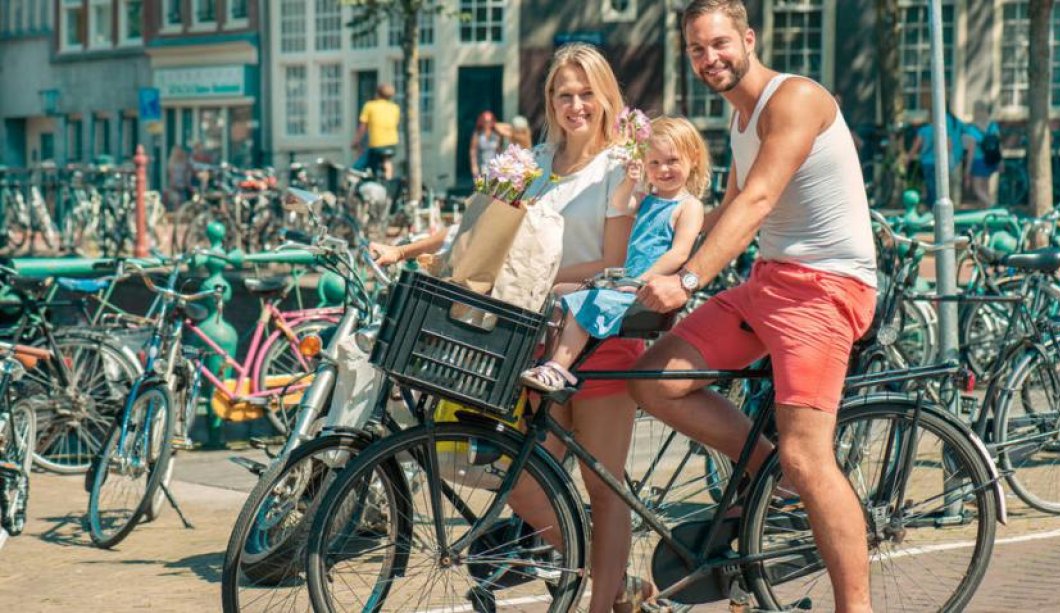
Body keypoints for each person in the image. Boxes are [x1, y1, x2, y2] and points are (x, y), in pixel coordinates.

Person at [369, 43, 649, 612]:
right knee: (516, 476)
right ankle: (612, 578)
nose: (576, 105)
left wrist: (539, 279)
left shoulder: (620, 166)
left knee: (604, 485)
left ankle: (605, 598)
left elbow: (613, 264)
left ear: (605, 98)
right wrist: (405, 248)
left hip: (597, 337)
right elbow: (478, 230)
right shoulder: (535, 161)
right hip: (531, 340)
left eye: (586, 94)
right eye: (564, 94)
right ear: (549, 99)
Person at [631, 2, 877, 612]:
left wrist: (687, 282)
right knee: (655, 380)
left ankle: (857, 607)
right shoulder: (741, 121)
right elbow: (723, 214)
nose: (708, 58)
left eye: (718, 44)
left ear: (747, 38)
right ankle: (770, 478)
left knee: (807, 454)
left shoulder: (794, 100)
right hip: (769, 284)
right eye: (696, 49)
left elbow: (758, 201)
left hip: (826, 288)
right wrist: (640, 271)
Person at [521, 116, 706, 391]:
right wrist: (630, 181)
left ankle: (559, 370)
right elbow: (621, 203)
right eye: (653, 163)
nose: (663, 169)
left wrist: (641, 279)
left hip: (645, 288)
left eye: (672, 161)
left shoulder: (688, 206)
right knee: (560, 292)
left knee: (585, 301)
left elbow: (679, 254)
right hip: (626, 283)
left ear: (693, 158)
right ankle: (547, 361)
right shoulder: (649, 200)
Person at [907, 102, 967, 209]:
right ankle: (941, 207)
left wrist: (908, 159)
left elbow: (915, 147)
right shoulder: (943, 129)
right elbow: (949, 145)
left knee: (930, 186)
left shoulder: (924, 130)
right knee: (941, 186)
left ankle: (932, 207)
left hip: (927, 162)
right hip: (940, 162)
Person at [351, 83, 400, 180]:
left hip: (377, 144)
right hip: (392, 144)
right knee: (386, 160)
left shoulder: (369, 106)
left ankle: (351, 185)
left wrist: (356, 142)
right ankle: (388, 180)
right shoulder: (395, 108)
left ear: (377, 94)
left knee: (357, 167)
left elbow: (363, 127)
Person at [965, 100, 1001, 207]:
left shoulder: (971, 129)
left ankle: (992, 206)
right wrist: (1000, 161)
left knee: (977, 189)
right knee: (985, 188)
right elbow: (998, 144)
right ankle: (986, 212)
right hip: (991, 159)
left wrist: (967, 169)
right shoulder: (993, 126)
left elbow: (971, 151)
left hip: (978, 160)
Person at [468, 110, 504, 178]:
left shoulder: (496, 134)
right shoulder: (477, 134)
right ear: (482, 122)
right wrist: (474, 166)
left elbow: (499, 150)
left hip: (494, 166)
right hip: (482, 165)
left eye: (490, 121)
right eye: (486, 121)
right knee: (484, 186)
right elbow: (473, 151)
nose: (488, 123)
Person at [166, 145, 192, 210]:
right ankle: (177, 214)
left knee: (184, 201)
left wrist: (188, 185)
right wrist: (173, 185)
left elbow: (186, 174)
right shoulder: (172, 162)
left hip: (183, 185)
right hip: (175, 185)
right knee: (176, 200)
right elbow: (171, 175)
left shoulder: (184, 161)